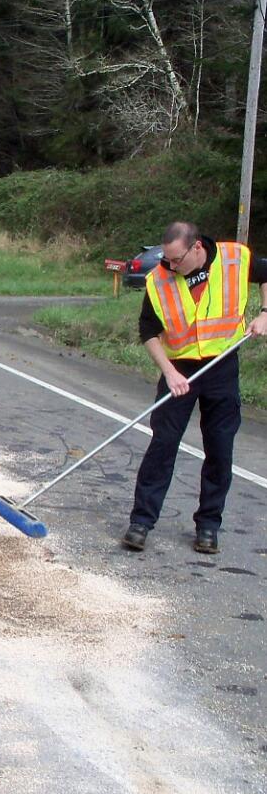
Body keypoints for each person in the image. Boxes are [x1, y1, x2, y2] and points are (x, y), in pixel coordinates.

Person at [122, 220, 267, 554]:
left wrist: (263, 313)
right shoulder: (159, 279)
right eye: (167, 260)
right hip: (180, 369)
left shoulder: (234, 259)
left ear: (197, 247)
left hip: (221, 365)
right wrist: (169, 372)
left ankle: (208, 526)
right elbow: (147, 330)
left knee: (219, 448)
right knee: (163, 444)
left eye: (177, 260)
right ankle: (141, 522)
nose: (171, 266)